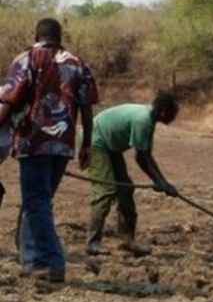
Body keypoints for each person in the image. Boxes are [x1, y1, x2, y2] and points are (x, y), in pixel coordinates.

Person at [0, 18, 98, 282]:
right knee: (41, 201)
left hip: (34, 141)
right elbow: (87, 109)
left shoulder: (28, 58)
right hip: (64, 143)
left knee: (36, 202)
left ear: (36, 35)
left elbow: (10, 100)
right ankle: (31, 257)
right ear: (59, 36)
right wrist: (86, 144)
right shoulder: (78, 64)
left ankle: (48, 262)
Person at [86, 92, 179, 257]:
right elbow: (141, 158)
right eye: (173, 113)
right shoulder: (142, 120)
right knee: (106, 191)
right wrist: (160, 183)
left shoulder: (149, 120)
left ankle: (127, 240)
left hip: (111, 147)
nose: (175, 117)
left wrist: (164, 182)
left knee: (126, 190)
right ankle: (92, 243)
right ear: (163, 111)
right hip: (96, 142)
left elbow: (147, 155)